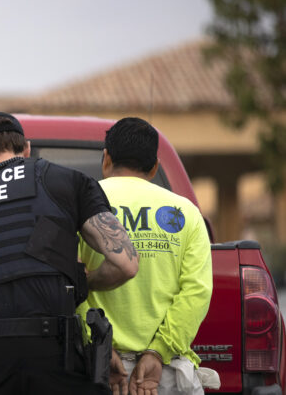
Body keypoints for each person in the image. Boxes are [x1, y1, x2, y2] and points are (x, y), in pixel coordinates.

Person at [0, 111, 139, 395]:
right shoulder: (65, 180)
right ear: (26, 148)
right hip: (57, 354)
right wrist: (84, 282)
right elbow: (126, 264)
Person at [78, 117, 213, 395]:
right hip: (164, 373)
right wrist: (159, 351)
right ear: (154, 168)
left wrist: (100, 347)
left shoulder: (79, 205)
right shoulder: (186, 212)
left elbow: (67, 283)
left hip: (100, 372)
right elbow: (198, 290)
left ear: (106, 159)